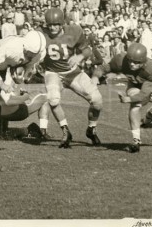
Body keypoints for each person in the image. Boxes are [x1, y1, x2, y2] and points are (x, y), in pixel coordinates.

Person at [92, 42, 152, 153]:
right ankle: (136, 141)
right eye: (130, 60)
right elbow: (103, 68)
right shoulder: (120, 59)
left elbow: (144, 95)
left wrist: (128, 99)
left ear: (143, 61)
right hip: (135, 85)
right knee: (135, 106)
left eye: (136, 62)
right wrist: (96, 76)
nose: (131, 64)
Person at [38, 8, 103, 148]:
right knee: (53, 99)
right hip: (53, 72)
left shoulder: (74, 31)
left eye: (56, 24)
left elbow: (87, 50)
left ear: (62, 23)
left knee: (97, 100)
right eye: (49, 25)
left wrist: (79, 56)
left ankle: (91, 128)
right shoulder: (40, 34)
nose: (52, 27)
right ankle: (66, 131)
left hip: (72, 72)